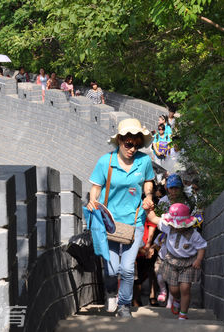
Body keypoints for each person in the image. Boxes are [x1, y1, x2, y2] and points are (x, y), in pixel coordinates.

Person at [87, 118, 155, 318]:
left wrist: (148, 197)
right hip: (109, 222)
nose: (132, 148)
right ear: (120, 141)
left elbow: (148, 183)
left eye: (136, 144)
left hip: (135, 222)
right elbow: (96, 187)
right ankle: (110, 292)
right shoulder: (105, 161)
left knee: (126, 269)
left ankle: (124, 305)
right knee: (111, 269)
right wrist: (93, 201)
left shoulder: (144, 162)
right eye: (128, 144)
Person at [147, 203, 207, 320]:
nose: (176, 227)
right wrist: (148, 209)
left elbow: (201, 247)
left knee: (185, 288)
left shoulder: (193, 234)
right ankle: (177, 299)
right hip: (171, 262)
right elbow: (153, 218)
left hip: (188, 264)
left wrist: (199, 259)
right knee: (174, 289)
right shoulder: (168, 228)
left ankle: (183, 315)